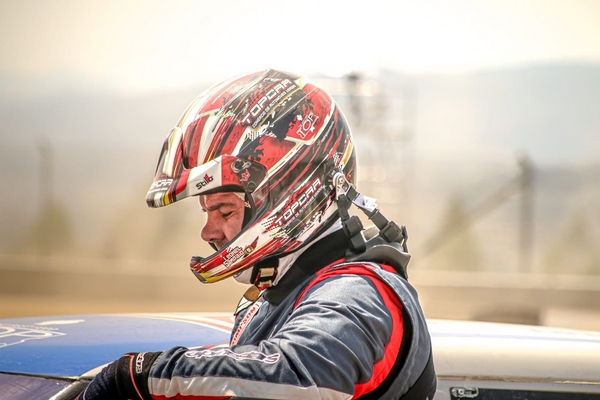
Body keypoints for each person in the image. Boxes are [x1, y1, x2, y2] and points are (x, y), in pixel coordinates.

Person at [79, 69, 436, 399]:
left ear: (289, 193)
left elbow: (299, 375)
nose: (208, 232)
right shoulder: (284, 291)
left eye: (224, 211)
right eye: (206, 211)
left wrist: (139, 375)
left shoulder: (357, 293)